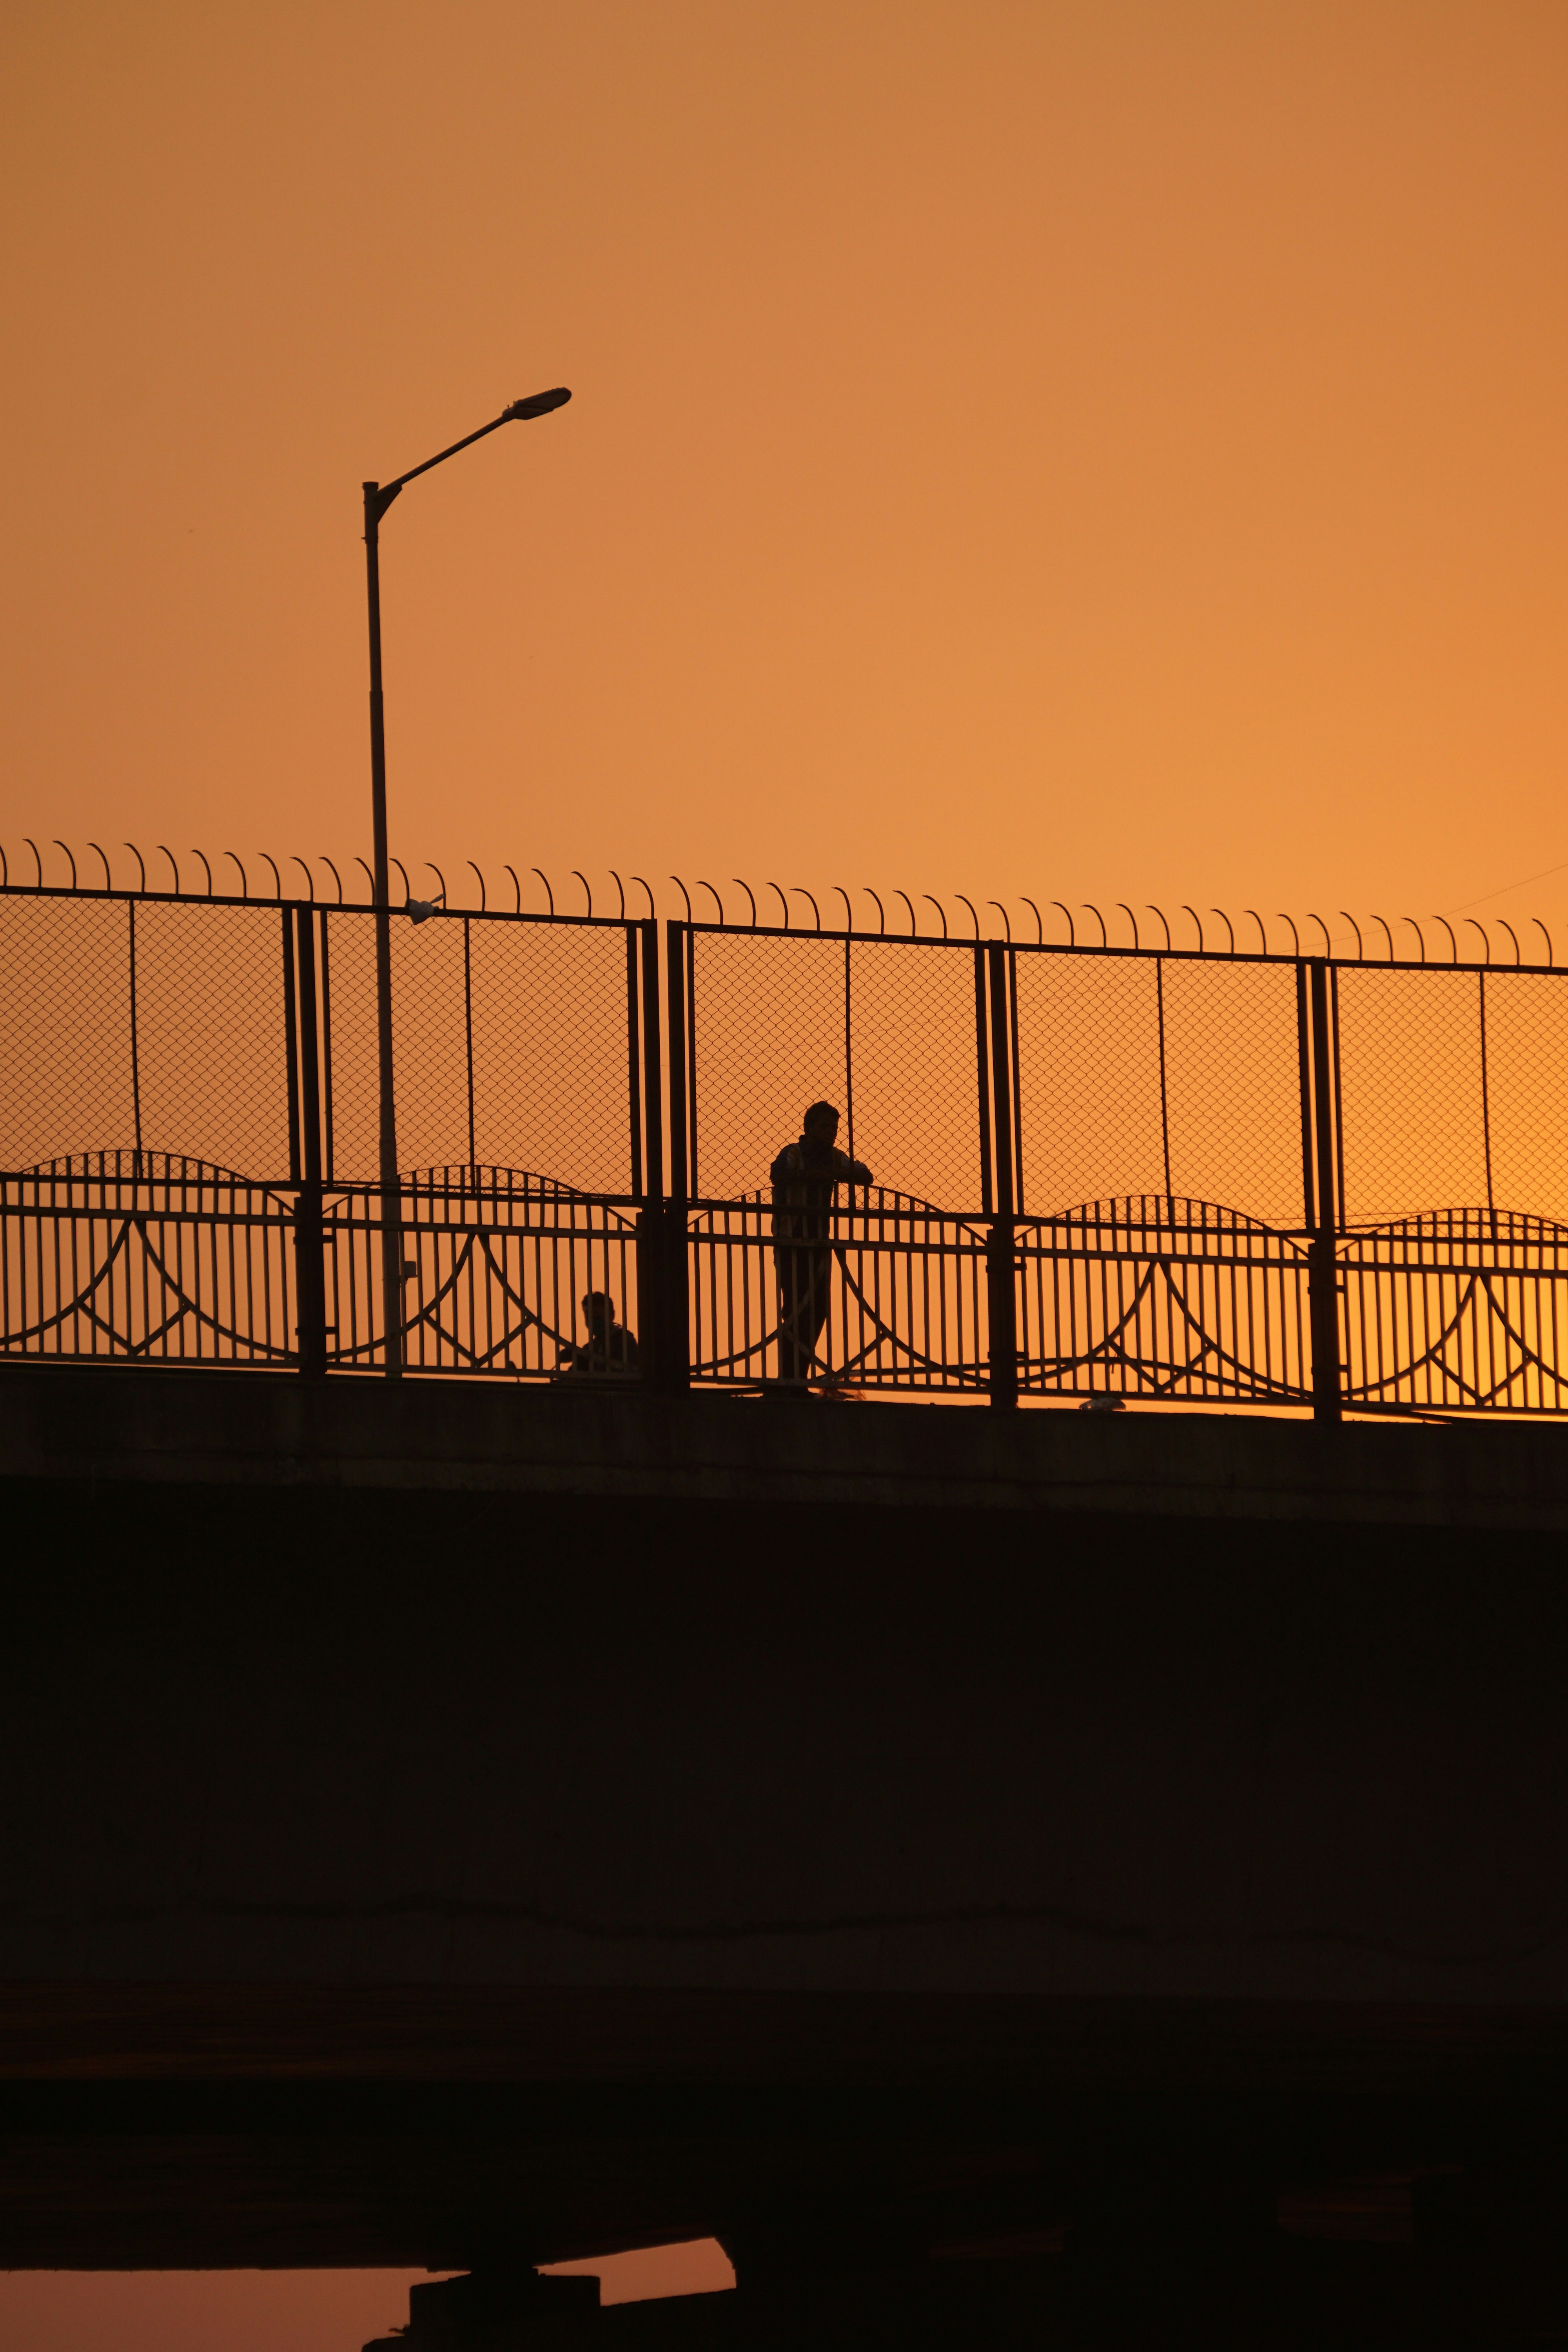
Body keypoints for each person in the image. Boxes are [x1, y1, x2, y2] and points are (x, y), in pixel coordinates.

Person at [769, 1102, 872, 1385]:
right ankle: (788, 1378)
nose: (830, 1133)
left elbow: (865, 1175)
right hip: (791, 1242)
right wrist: (808, 1177)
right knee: (795, 1309)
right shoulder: (794, 1154)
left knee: (817, 1311)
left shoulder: (834, 1158)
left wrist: (841, 1175)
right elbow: (778, 1175)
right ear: (809, 1128)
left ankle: (797, 1377)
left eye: (834, 1128)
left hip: (818, 1244)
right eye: (824, 1127)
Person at [556, 1290, 639, 1378]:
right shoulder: (591, 1347)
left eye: (597, 1317)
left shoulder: (625, 1342)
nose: (593, 1322)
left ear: (612, 1315)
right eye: (589, 1318)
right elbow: (573, 1374)